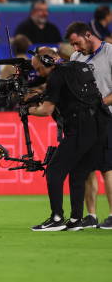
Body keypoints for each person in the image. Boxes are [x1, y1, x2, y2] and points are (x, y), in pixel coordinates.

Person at [26, 47, 110, 231]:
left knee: (54, 171)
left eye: (39, 68)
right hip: (101, 126)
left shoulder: (56, 77)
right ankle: (75, 220)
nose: (38, 73)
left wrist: (28, 110)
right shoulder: (77, 68)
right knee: (78, 173)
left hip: (81, 128)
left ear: (48, 62)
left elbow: (46, 110)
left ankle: (56, 218)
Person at [66, 22, 112, 229]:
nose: (76, 49)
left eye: (77, 43)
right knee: (86, 169)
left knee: (108, 168)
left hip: (107, 117)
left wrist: (98, 103)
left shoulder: (110, 53)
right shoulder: (76, 58)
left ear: (88, 35)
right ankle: (91, 215)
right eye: (73, 45)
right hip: (84, 121)